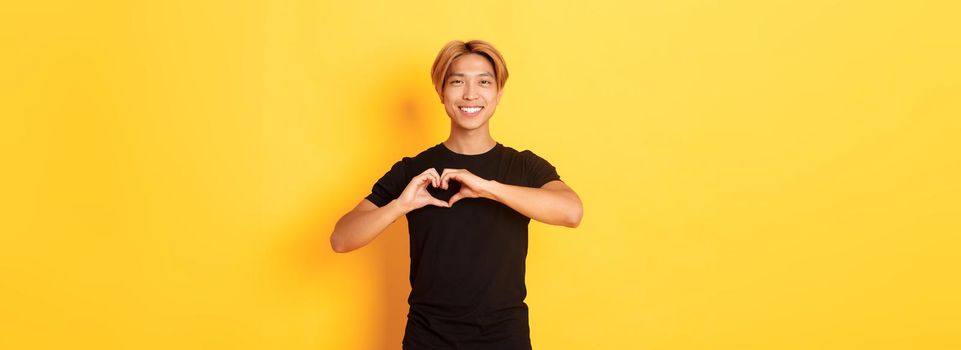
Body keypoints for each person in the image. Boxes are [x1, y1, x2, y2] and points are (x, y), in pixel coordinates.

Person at [329, 39, 583, 349]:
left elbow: (571, 212)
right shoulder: (414, 171)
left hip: (504, 338)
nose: (470, 94)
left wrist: (488, 187)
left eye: (484, 82)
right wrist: (399, 205)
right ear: (441, 92)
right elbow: (341, 239)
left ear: (499, 93)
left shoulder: (522, 166)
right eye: (457, 82)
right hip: (427, 339)